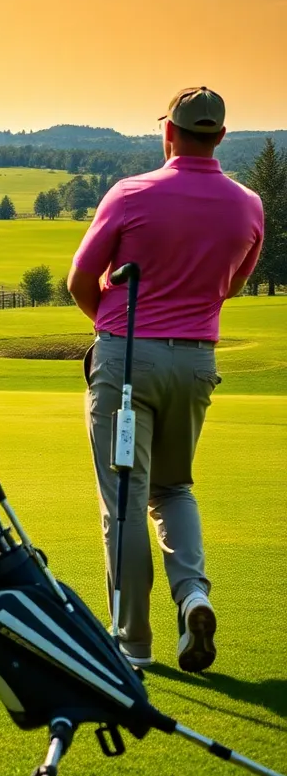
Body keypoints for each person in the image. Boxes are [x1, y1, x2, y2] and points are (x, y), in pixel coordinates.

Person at [67, 87, 264, 673]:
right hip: (197, 363)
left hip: (128, 361)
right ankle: (193, 598)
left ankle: (133, 645)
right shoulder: (248, 205)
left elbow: (80, 279)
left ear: (169, 132)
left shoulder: (131, 195)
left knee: (124, 501)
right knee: (174, 488)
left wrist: (111, 320)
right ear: (221, 137)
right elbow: (228, 286)